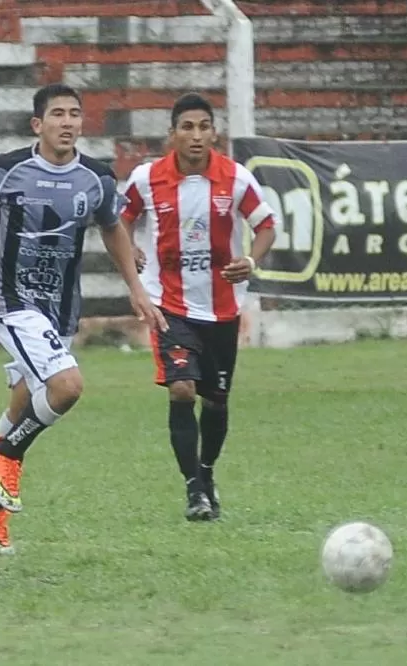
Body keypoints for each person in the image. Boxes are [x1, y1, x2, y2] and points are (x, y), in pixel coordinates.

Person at [0, 83, 166, 555]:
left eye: (74, 114)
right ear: (38, 124)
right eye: (58, 114)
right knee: (66, 386)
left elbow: (113, 226)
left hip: (61, 308)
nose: (68, 122)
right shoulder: (6, 170)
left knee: (24, 404)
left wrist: (136, 288)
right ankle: (3, 455)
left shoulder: (97, 178)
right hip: (10, 299)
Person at [121, 92, 278, 521]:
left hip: (223, 309)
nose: (196, 135)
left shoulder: (237, 179)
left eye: (203, 127)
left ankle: (206, 472)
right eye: (186, 127)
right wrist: (130, 248)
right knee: (181, 389)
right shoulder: (146, 179)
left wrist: (250, 260)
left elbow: (266, 225)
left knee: (216, 402)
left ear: (214, 133)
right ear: (172, 134)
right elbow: (118, 218)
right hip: (168, 305)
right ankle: (193, 489)